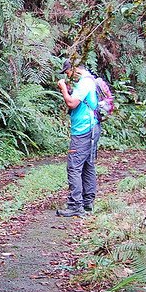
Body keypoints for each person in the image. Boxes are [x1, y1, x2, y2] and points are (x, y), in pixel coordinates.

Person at [55, 59, 101, 217]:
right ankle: (87, 203)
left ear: (74, 69)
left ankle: (75, 205)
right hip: (92, 128)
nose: (67, 75)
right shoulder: (89, 80)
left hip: (83, 131)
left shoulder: (84, 83)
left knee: (74, 167)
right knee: (88, 165)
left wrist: (62, 89)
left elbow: (71, 103)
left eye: (67, 72)